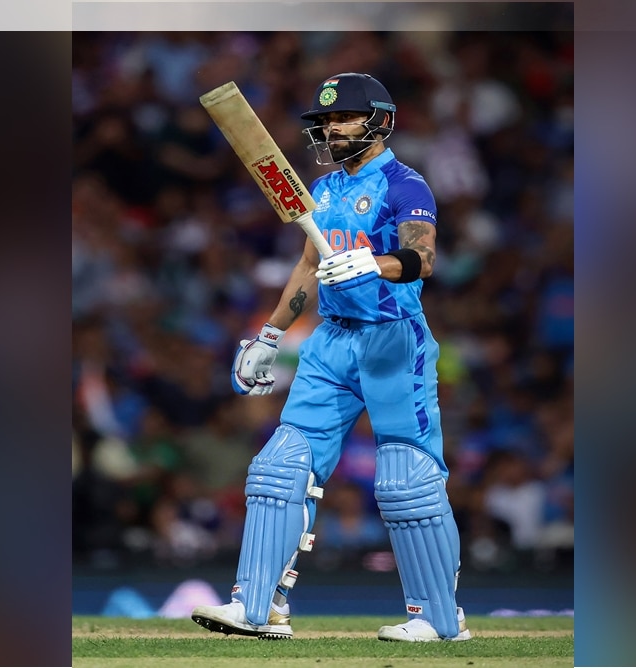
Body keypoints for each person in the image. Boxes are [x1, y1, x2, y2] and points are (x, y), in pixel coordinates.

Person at [191, 73, 469, 642]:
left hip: (394, 338)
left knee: (405, 482)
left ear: (381, 122)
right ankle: (258, 606)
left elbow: (423, 257)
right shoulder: (322, 190)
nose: (329, 128)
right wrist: (270, 335)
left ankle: (440, 620)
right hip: (331, 341)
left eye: (341, 118)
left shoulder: (405, 184)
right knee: (279, 466)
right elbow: (307, 266)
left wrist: (375, 263)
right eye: (323, 121)